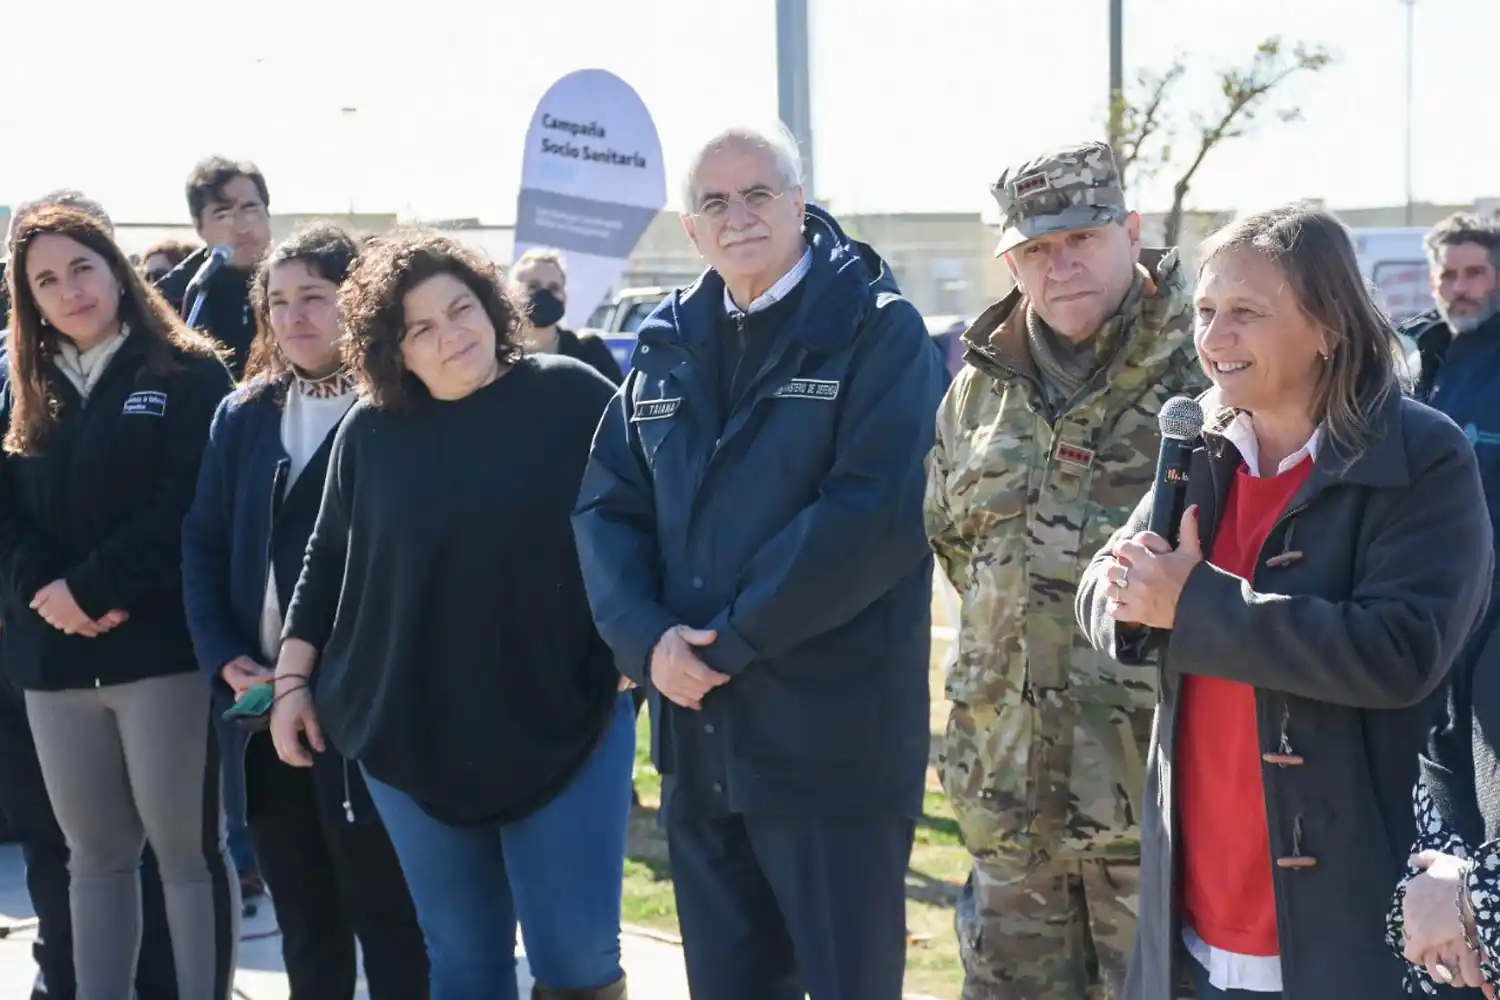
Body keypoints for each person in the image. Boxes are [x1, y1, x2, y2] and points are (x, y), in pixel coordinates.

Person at [1076, 204, 1492, 1000]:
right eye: (1205, 310)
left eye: (1246, 312)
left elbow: (1401, 652)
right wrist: (1125, 596)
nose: (1214, 336)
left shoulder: (1423, 455)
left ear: (1329, 324)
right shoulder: (1200, 447)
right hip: (1194, 920)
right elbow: (1108, 579)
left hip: (1352, 923)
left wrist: (1194, 605)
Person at [573, 124, 945, 1000]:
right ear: (690, 228)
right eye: (714, 202)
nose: (737, 216)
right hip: (701, 743)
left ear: (800, 203)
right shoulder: (667, 342)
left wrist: (724, 642)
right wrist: (648, 642)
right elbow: (606, 507)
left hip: (833, 748)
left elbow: (872, 518)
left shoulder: (877, 332)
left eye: (758, 194)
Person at [268, 232, 632, 1000]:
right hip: (407, 728)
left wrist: (639, 640)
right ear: (393, 350)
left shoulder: (575, 396)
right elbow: (326, 559)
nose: (451, 334)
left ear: (492, 306)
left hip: (569, 716)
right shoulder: (370, 430)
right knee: (464, 964)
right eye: (421, 328)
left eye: (461, 309)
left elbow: (650, 517)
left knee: (578, 963)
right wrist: (293, 681)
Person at [923, 140, 1207, 1000]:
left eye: (1082, 237)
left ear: (1132, 231)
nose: (1062, 265)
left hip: (1160, 818)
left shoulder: (1208, 375)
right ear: (1010, 261)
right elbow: (957, 547)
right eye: (1037, 248)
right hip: (1010, 809)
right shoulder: (980, 389)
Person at [182, 222, 429, 998]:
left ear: (358, 302)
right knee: (304, 919)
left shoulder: (401, 409)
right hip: (258, 705)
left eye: (315, 297)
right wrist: (223, 656)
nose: (294, 316)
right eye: (279, 300)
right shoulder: (245, 413)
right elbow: (202, 543)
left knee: (389, 919)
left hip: (360, 712)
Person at [0, 205, 239, 999]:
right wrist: (48, 593)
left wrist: (92, 589)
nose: (69, 291)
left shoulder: (189, 371)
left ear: (117, 269)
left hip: (161, 657)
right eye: (46, 281)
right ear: (28, 300)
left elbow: (186, 506)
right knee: (94, 860)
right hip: (53, 662)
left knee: (186, 856)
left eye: (82, 268)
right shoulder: (21, 385)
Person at [157, 156, 273, 377]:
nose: (241, 227)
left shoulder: (302, 282)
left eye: (250, 209)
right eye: (222, 215)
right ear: (198, 226)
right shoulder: (175, 298)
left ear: (267, 213)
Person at [507, 247, 623, 384]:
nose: (544, 294)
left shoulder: (591, 354)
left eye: (554, 288)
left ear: (565, 297)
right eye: (533, 286)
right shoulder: (496, 354)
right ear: (511, 294)